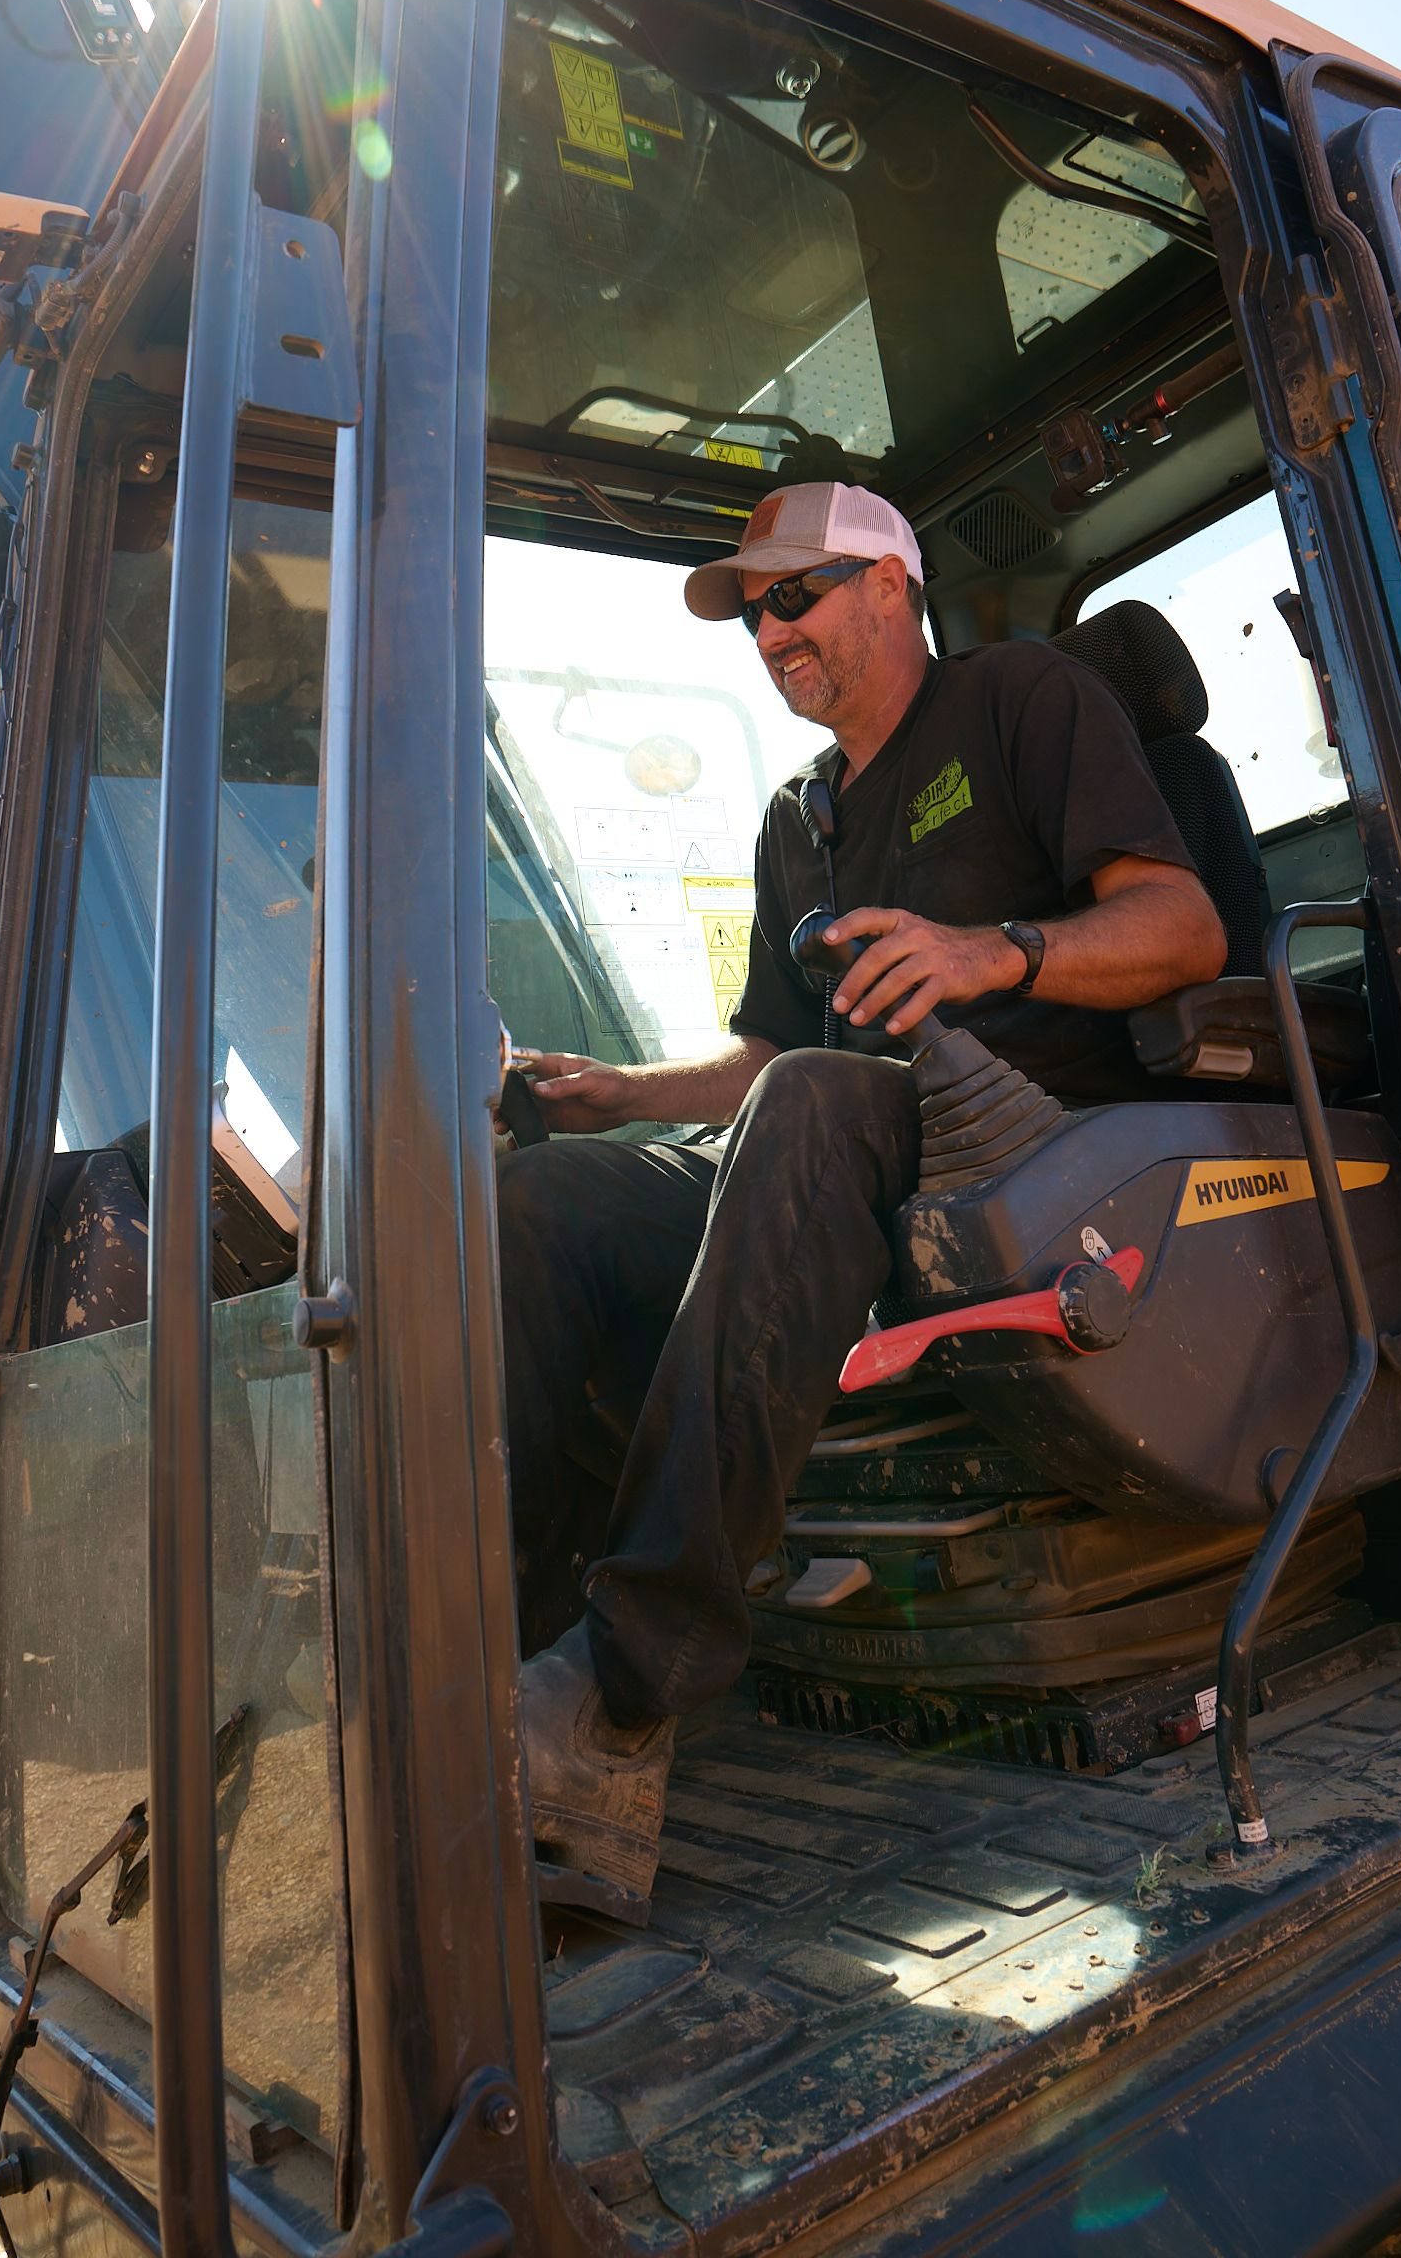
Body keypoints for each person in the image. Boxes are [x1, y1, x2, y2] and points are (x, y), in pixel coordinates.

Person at [505, 481, 1225, 1916]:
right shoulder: (799, 819)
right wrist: (618, 1097)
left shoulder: (1023, 701)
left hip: (1036, 1142)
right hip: (844, 1145)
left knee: (827, 1100)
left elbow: (1181, 926)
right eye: (752, 611)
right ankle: (494, 1670)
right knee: (546, 1202)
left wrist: (992, 952)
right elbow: (768, 1059)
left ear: (889, 583)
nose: (768, 630)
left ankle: (626, 1686)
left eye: (794, 595)